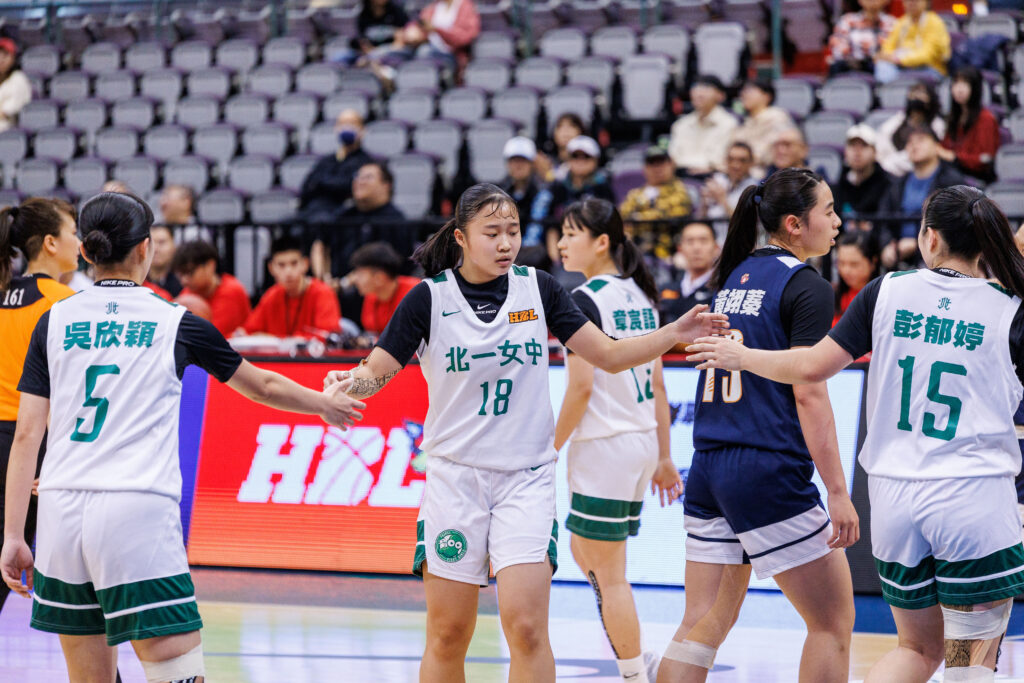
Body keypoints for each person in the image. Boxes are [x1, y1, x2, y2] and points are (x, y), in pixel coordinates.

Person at [321, 183, 727, 682]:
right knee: (448, 633)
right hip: (455, 481)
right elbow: (377, 373)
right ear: (461, 237)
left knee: (529, 629)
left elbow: (608, 355)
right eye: (491, 232)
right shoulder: (429, 298)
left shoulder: (540, 288)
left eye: (512, 231)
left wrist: (673, 334)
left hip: (526, 480)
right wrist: (345, 386)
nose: (505, 243)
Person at [0, 192, 366, 683]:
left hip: (61, 514)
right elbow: (262, 385)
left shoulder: (54, 320)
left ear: (85, 251)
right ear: (146, 249)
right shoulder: (174, 321)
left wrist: (13, 535)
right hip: (135, 509)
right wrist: (324, 403)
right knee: (177, 674)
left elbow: (27, 435)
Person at [687, 184, 1024, 682]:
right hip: (971, 497)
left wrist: (744, 357)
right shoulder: (1010, 308)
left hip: (893, 502)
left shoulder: (886, 290)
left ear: (930, 238)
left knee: (916, 649)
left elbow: (811, 367)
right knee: (970, 658)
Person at [657, 168, 857, 683]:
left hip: (709, 467)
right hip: (765, 468)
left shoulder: (735, 276)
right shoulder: (806, 285)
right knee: (832, 623)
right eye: (829, 211)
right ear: (794, 224)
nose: (838, 221)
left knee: (701, 624)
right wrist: (837, 491)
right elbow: (809, 391)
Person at [552, 198, 682, 683]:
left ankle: (633, 673)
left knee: (609, 575)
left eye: (572, 234)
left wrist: (546, 449)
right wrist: (664, 457)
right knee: (586, 554)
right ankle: (633, 656)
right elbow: (660, 385)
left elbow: (581, 388)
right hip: (639, 441)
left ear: (601, 242)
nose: (562, 243)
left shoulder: (585, 299)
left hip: (605, 444)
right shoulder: (641, 297)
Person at [0, 198, 79, 614]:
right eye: (73, 233)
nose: (79, 242)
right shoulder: (61, 301)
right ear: (50, 242)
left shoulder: (2, 292)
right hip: (30, 443)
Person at [878, 126, 965, 269]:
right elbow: (884, 219)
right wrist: (887, 245)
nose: (914, 146)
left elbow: (955, 223)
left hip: (940, 256)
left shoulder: (952, 181)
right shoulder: (897, 184)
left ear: (937, 146)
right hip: (899, 254)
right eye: (909, 142)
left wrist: (918, 243)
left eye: (921, 140)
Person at [312, 161, 405, 281]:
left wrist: (347, 282)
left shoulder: (396, 221)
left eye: (368, 177)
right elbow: (320, 244)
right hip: (334, 285)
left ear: (386, 185)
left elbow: (391, 266)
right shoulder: (343, 215)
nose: (360, 181)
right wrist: (323, 277)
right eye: (358, 176)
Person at [528, 135, 615, 257]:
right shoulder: (558, 187)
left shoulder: (602, 187)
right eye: (575, 156)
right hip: (562, 247)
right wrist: (556, 260)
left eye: (586, 157)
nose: (580, 161)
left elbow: (608, 224)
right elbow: (551, 225)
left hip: (594, 250)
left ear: (596, 160)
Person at [242, 236, 341, 339]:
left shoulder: (323, 293)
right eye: (281, 265)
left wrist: (282, 340)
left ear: (305, 264)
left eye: (294, 263)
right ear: (271, 268)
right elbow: (247, 332)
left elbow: (329, 337)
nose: (288, 272)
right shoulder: (271, 296)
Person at [298, 109, 372, 231]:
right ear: (336, 128)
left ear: (362, 130)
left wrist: (322, 183)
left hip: (343, 215)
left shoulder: (367, 162)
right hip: (313, 211)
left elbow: (347, 186)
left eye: (352, 123)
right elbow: (308, 186)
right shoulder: (326, 161)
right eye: (342, 124)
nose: (347, 127)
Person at [172, 240, 252, 337]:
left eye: (190, 272)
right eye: (180, 275)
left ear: (210, 265)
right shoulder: (186, 295)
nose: (184, 280)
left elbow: (214, 336)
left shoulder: (231, 291)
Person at [379, 0, 480, 72]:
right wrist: (409, 33)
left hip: (451, 54)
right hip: (424, 46)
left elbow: (466, 37)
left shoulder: (465, 6)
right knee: (392, 54)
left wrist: (437, 30)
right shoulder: (435, 7)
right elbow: (419, 23)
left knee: (424, 51)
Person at [940, 66, 1000, 183]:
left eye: (965, 84)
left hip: (976, 178)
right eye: (956, 83)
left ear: (975, 88)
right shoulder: (954, 117)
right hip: (953, 173)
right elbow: (945, 148)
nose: (959, 89)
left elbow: (984, 159)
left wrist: (955, 157)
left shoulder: (986, 118)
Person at [668, 75, 738, 175]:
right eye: (695, 87)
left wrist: (708, 167)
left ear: (721, 96)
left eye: (706, 88)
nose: (699, 93)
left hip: (713, 175)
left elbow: (718, 160)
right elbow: (673, 157)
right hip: (680, 174)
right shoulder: (680, 124)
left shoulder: (729, 124)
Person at [876, 80, 946, 177]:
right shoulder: (897, 121)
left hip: (927, 168)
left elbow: (939, 150)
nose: (916, 96)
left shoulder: (938, 124)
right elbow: (882, 148)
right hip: (894, 169)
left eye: (921, 92)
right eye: (914, 92)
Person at [348, 241, 420, 336]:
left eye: (360, 274)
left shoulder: (414, 292)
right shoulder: (371, 296)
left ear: (380, 278)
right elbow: (373, 332)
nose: (354, 279)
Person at [833, 124, 895, 231]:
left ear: (874, 152)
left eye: (864, 146)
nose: (857, 152)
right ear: (846, 152)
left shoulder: (888, 184)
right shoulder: (839, 185)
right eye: (852, 145)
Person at [619, 140, 693, 226]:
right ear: (645, 168)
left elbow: (668, 215)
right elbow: (623, 214)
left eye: (661, 163)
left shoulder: (680, 190)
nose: (657, 169)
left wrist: (638, 216)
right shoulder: (635, 193)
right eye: (652, 164)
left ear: (671, 165)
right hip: (637, 234)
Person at [874, 0, 950, 83]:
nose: (911, 3)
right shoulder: (902, 21)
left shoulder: (934, 22)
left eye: (915, 1)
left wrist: (899, 59)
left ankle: (890, 87)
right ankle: (886, 88)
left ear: (926, 2)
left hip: (929, 68)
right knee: (883, 65)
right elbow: (888, 46)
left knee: (894, 75)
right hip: (901, 66)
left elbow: (928, 54)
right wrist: (886, 56)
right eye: (907, 1)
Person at [659, 221, 719, 326]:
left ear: (716, 248)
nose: (696, 248)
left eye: (703, 241)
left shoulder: (721, 291)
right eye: (690, 241)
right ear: (680, 249)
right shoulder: (665, 289)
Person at [728, 79, 795, 172]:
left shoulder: (776, 117)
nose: (743, 95)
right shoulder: (746, 121)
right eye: (743, 91)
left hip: (765, 172)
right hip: (741, 171)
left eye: (749, 91)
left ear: (766, 96)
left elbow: (766, 155)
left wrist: (740, 159)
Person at [826, 0, 897, 76]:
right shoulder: (848, 20)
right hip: (850, 69)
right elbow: (838, 52)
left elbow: (896, 54)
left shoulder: (893, 23)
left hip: (881, 70)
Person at [330, 0, 410, 66]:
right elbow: (362, 40)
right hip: (369, 51)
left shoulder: (397, 12)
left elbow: (400, 41)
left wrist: (377, 53)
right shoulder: (363, 14)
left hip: (391, 50)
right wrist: (368, 51)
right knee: (340, 56)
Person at [702, 142, 758, 228]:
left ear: (751, 162)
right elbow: (701, 218)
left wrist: (722, 200)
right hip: (712, 233)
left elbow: (746, 224)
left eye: (742, 160)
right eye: (731, 159)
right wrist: (704, 203)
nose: (735, 165)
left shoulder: (755, 188)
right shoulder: (717, 179)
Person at [833, 231, 880, 328]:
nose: (846, 270)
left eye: (854, 264)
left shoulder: (882, 299)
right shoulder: (832, 295)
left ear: (873, 262)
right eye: (841, 263)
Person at [500, 136, 543, 225]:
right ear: (507, 164)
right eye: (514, 161)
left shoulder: (544, 192)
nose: (518, 166)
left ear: (532, 164)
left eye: (523, 160)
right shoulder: (499, 193)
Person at [536, 113, 586, 182]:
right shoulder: (546, 162)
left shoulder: (587, 161)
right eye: (560, 126)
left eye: (572, 126)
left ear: (581, 131)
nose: (566, 131)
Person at [0, 38, 30, 134]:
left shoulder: (19, 79)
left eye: (5, 55)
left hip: (9, 128)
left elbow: (7, 112)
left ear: (13, 58)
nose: (1, 59)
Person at [146, 224, 183, 298]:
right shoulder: (136, 282)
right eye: (150, 243)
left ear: (174, 246)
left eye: (161, 242)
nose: (155, 249)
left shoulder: (183, 281)